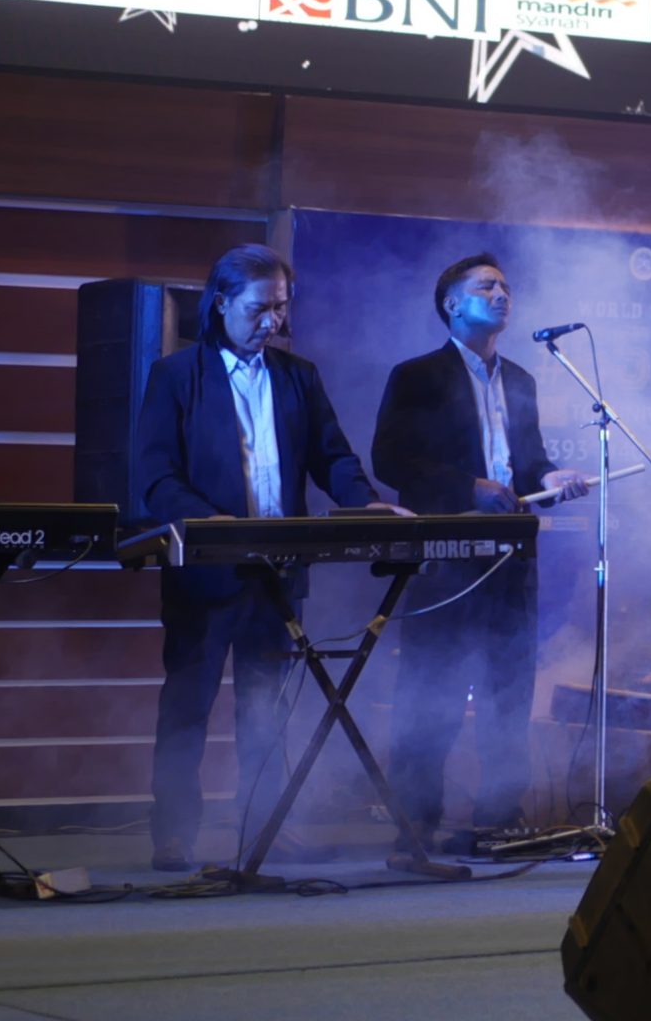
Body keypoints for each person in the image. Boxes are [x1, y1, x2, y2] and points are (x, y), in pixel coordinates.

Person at [131, 244, 390, 873]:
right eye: (259, 307)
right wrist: (206, 521)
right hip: (205, 570)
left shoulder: (299, 376)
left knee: (267, 711)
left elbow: (334, 458)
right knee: (187, 706)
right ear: (220, 303)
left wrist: (368, 505)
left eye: (280, 306)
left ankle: (265, 825)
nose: (272, 319)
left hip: (278, 573)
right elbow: (154, 473)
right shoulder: (176, 374)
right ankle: (173, 833)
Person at [372, 256, 588, 852]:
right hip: (446, 556)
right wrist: (468, 488)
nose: (500, 295)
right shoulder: (416, 376)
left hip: (511, 557)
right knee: (431, 689)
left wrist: (554, 474)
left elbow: (529, 464)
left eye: (505, 287)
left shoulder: (520, 379)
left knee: (508, 692)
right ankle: (416, 820)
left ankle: (499, 816)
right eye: (484, 286)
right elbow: (391, 462)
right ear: (450, 303)